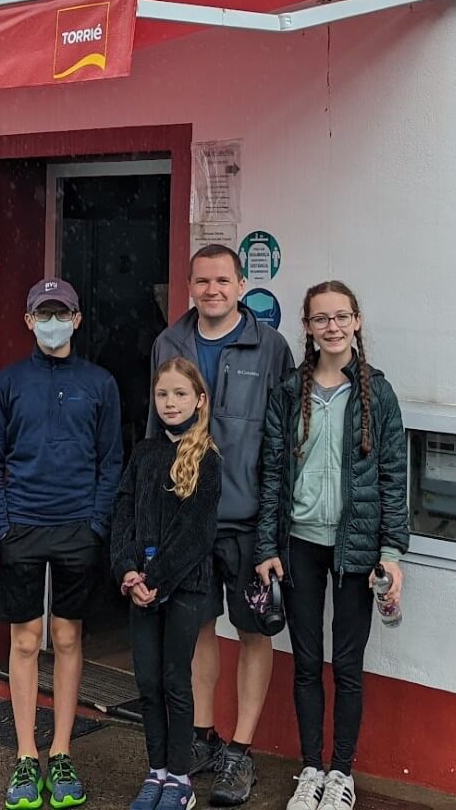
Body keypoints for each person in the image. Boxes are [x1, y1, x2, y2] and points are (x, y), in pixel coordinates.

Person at [148, 245, 295, 806]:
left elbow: (280, 445)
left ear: (239, 285)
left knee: (255, 631)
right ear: (189, 285)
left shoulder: (271, 346)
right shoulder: (169, 343)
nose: (212, 290)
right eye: (202, 281)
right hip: (188, 516)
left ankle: (241, 749)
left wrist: (271, 530)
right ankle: (205, 736)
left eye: (222, 281)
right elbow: (154, 428)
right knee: (199, 626)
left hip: (246, 519)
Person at [254, 281, 408, 810]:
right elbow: (271, 475)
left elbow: (393, 476)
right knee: (304, 662)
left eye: (342, 316)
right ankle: (311, 769)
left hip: (355, 551)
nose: (333, 327)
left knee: (346, 665)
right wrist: (265, 547)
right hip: (297, 544)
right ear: (308, 327)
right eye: (321, 318)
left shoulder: (378, 394)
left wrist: (390, 551)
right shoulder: (287, 393)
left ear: (357, 321)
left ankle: (341, 773)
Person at [0, 277, 124, 810]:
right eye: (43, 313)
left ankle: (61, 750)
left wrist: (96, 524)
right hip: (21, 527)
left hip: (76, 530)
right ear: (29, 321)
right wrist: (0, 524)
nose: (53, 322)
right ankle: (24, 753)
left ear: (78, 320)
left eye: (61, 313)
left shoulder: (100, 383)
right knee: (23, 639)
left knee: (66, 637)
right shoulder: (8, 382)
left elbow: (112, 461)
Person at [110, 357, 224, 810]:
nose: (170, 403)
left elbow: (196, 534)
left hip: (184, 589)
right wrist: (126, 570)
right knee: (148, 681)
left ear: (198, 400)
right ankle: (155, 771)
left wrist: (155, 579)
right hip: (140, 587)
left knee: (177, 681)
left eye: (180, 394)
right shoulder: (144, 453)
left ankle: (180, 778)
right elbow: (122, 513)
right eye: (163, 395)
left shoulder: (207, 461)